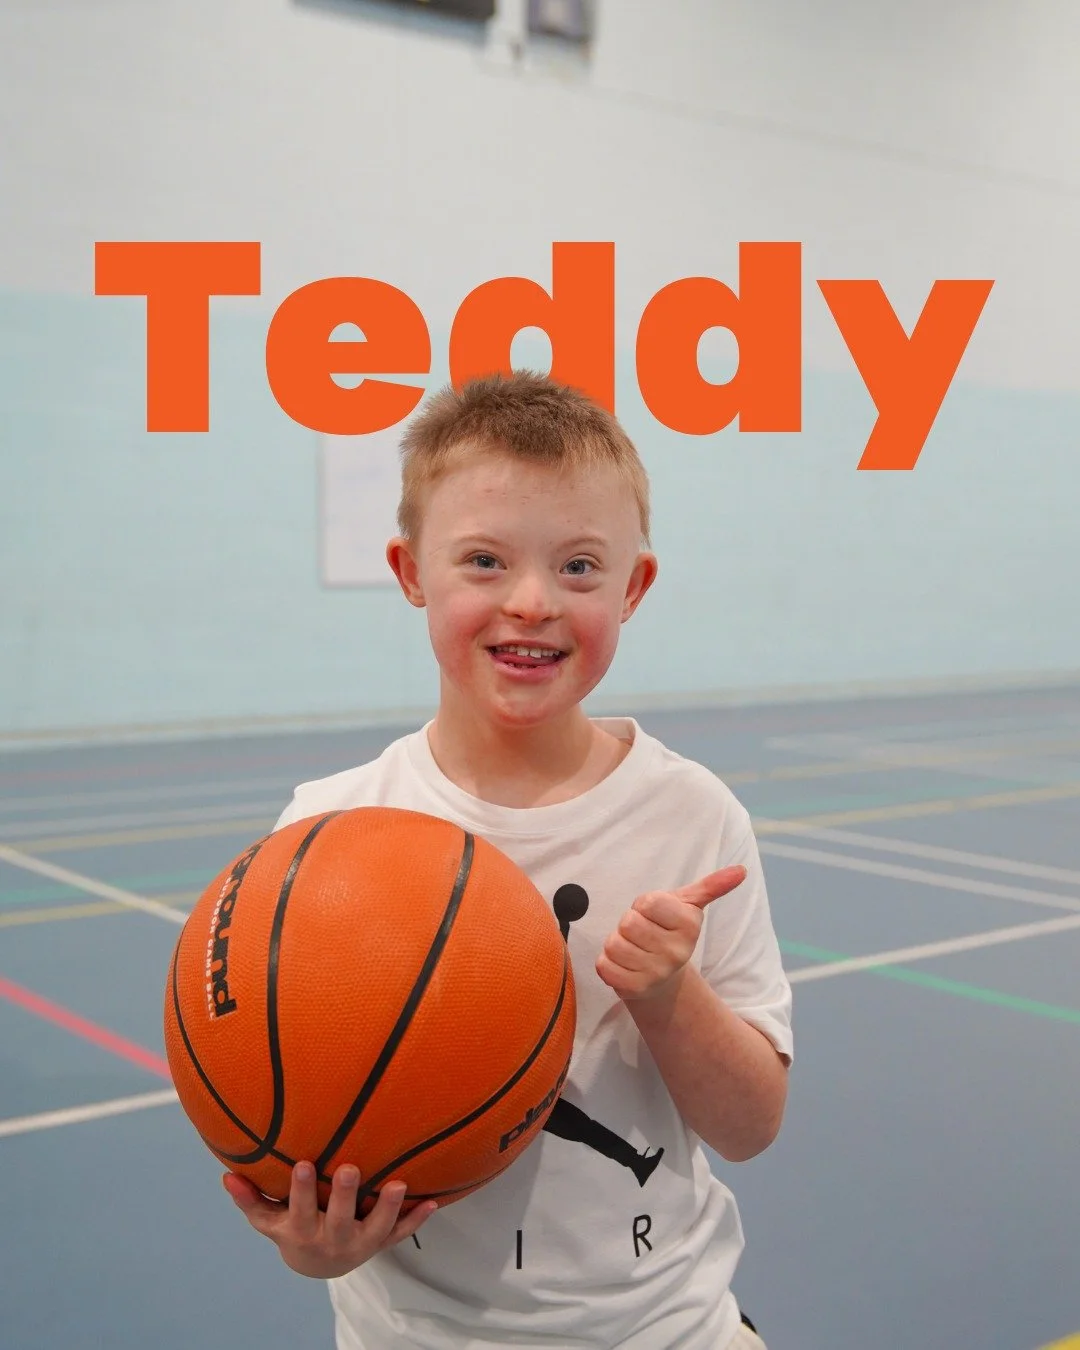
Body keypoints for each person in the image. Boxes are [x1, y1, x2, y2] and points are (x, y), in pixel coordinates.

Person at [222, 370, 794, 1349]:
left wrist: (670, 998)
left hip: (666, 1330)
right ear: (410, 574)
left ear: (634, 586)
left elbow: (750, 1127)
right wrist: (311, 1244)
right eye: (483, 561)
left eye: (579, 568)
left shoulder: (692, 818)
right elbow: (303, 1159)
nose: (530, 602)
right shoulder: (330, 829)